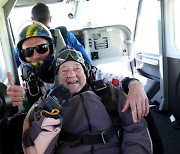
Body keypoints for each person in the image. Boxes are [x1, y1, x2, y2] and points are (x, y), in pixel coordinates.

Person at [9, 21, 148, 122]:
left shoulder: (78, 68)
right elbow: (25, 120)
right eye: (28, 51)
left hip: (94, 121)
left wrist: (134, 84)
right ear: (22, 55)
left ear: (51, 47)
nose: (36, 56)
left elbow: (106, 77)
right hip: (61, 137)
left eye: (42, 48)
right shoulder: (30, 86)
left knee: (141, 106)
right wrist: (12, 103)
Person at [22, 48, 152, 154]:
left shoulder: (108, 92)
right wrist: (50, 112)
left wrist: (134, 83)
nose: (71, 74)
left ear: (86, 73)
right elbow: (35, 149)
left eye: (77, 68)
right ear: (57, 77)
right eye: (64, 70)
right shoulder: (45, 103)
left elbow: (135, 127)